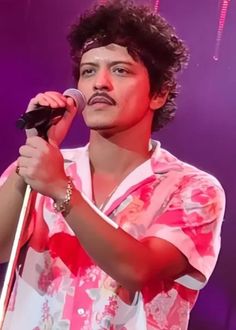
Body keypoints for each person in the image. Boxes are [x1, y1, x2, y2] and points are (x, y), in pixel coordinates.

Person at [0, 0, 225, 329]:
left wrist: (60, 190)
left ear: (158, 93)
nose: (99, 83)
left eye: (120, 70)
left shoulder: (193, 188)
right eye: (89, 71)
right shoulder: (42, 165)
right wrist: (35, 155)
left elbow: (137, 269)